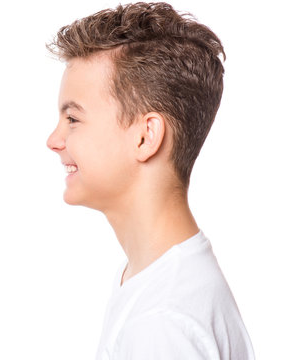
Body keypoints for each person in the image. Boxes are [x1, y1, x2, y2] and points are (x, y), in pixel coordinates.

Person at [46, 2, 255, 359]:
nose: (54, 140)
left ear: (146, 137)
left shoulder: (161, 322)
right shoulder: (156, 283)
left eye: (73, 119)